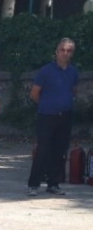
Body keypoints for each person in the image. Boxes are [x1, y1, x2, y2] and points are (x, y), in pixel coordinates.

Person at [27, 38, 78, 196]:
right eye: (62, 50)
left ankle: (53, 184)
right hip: (47, 116)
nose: (65, 53)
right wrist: (48, 104)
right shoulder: (46, 71)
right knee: (43, 150)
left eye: (68, 51)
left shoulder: (73, 71)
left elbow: (74, 91)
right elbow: (34, 94)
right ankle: (34, 185)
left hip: (65, 116)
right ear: (56, 52)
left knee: (60, 151)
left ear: (72, 54)